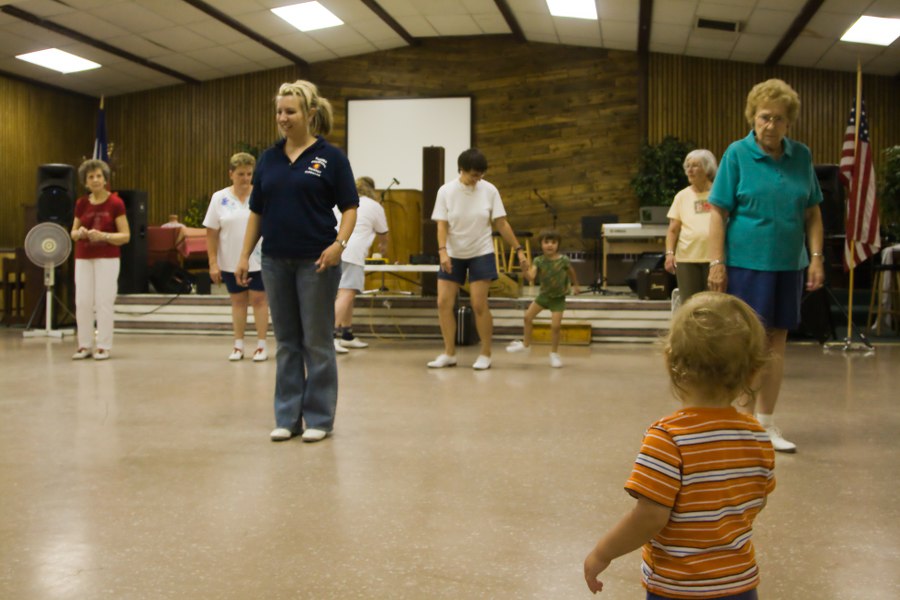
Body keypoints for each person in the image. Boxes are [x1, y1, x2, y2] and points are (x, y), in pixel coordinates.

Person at [584, 292, 775, 599]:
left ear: (671, 361)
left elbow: (650, 517)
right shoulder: (757, 436)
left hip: (679, 586)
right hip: (739, 582)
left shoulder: (668, 438)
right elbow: (757, 500)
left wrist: (602, 552)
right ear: (752, 372)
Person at [236, 79, 358, 443]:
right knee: (287, 341)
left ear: (310, 113)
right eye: (279, 112)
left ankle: (319, 418)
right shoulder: (269, 159)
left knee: (317, 342)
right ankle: (287, 417)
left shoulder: (331, 157)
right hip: (275, 261)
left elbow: (350, 208)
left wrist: (339, 245)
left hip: (316, 262)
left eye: (290, 111)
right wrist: (244, 255)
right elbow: (257, 212)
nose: (283, 118)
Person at [707, 78, 825, 453]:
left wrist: (816, 258)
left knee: (777, 344)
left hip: (789, 264)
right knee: (748, 343)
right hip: (745, 265)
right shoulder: (737, 154)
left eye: (778, 118)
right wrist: (716, 262)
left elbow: (813, 213)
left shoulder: (801, 156)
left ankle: (766, 423)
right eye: (764, 117)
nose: (770, 125)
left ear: (789, 121)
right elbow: (718, 212)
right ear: (752, 118)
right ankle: (740, 422)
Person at [427, 148, 528, 370]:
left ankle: (485, 353)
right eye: (474, 174)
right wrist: (442, 251)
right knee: (443, 303)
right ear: (461, 170)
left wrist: (519, 249)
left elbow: (501, 223)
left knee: (479, 304)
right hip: (453, 252)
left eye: (481, 174)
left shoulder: (489, 190)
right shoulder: (446, 191)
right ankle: (449, 353)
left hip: (481, 252)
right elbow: (442, 224)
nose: (478, 179)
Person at [203, 152, 269, 362]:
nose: (245, 178)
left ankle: (261, 345)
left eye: (249, 174)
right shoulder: (219, 198)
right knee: (238, 301)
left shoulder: (260, 195)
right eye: (241, 174)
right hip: (230, 260)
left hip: (258, 259)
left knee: (259, 300)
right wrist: (213, 263)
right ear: (231, 174)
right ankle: (238, 345)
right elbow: (211, 232)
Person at [70, 159, 131, 360]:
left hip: (107, 258)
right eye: (91, 177)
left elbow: (125, 236)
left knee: (104, 301)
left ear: (105, 179)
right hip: (83, 257)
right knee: (82, 301)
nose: (95, 180)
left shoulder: (116, 203)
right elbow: (72, 233)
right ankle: (84, 345)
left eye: (98, 176)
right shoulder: (81, 203)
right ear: (85, 181)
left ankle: (103, 345)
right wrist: (80, 233)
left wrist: (104, 236)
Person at [505, 229, 580, 367]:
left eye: (553, 242)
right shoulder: (538, 261)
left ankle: (554, 353)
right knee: (527, 317)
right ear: (541, 244)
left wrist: (576, 285)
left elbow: (571, 271)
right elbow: (531, 277)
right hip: (543, 296)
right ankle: (526, 345)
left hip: (558, 298)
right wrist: (524, 269)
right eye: (546, 242)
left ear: (558, 244)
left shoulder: (563, 260)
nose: (550, 245)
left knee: (555, 326)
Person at [332, 176, 390, 354]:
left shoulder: (341, 201)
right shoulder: (374, 206)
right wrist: (383, 247)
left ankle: (347, 334)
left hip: (334, 249)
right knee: (347, 294)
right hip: (353, 252)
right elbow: (383, 233)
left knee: (344, 293)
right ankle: (330, 337)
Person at [664, 149, 717, 303]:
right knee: (689, 304)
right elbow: (673, 230)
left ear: (707, 169)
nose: (689, 170)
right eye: (687, 166)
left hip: (714, 258)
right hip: (687, 259)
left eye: (695, 166)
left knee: (713, 303)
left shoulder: (719, 192)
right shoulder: (681, 196)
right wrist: (669, 253)